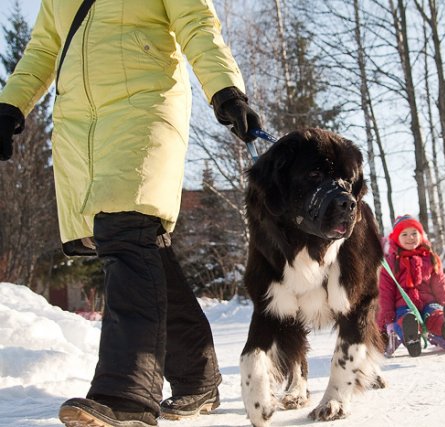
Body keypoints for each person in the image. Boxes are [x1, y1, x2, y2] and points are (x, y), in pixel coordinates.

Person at [0, 1, 261, 426]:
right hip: (81, 125)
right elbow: (45, 48)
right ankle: (197, 375)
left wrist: (226, 90)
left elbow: (197, 25)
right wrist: (11, 105)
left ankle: (127, 393)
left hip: (146, 105)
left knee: (125, 227)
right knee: (140, 244)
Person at [376, 215, 445, 357]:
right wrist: (386, 319)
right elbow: (385, 293)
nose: (410, 237)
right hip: (403, 306)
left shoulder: (430, 258)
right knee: (404, 320)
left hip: (428, 303)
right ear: (396, 238)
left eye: (414, 233)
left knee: (435, 315)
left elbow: (440, 285)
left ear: (421, 235)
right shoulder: (391, 262)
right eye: (404, 234)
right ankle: (412, 337)